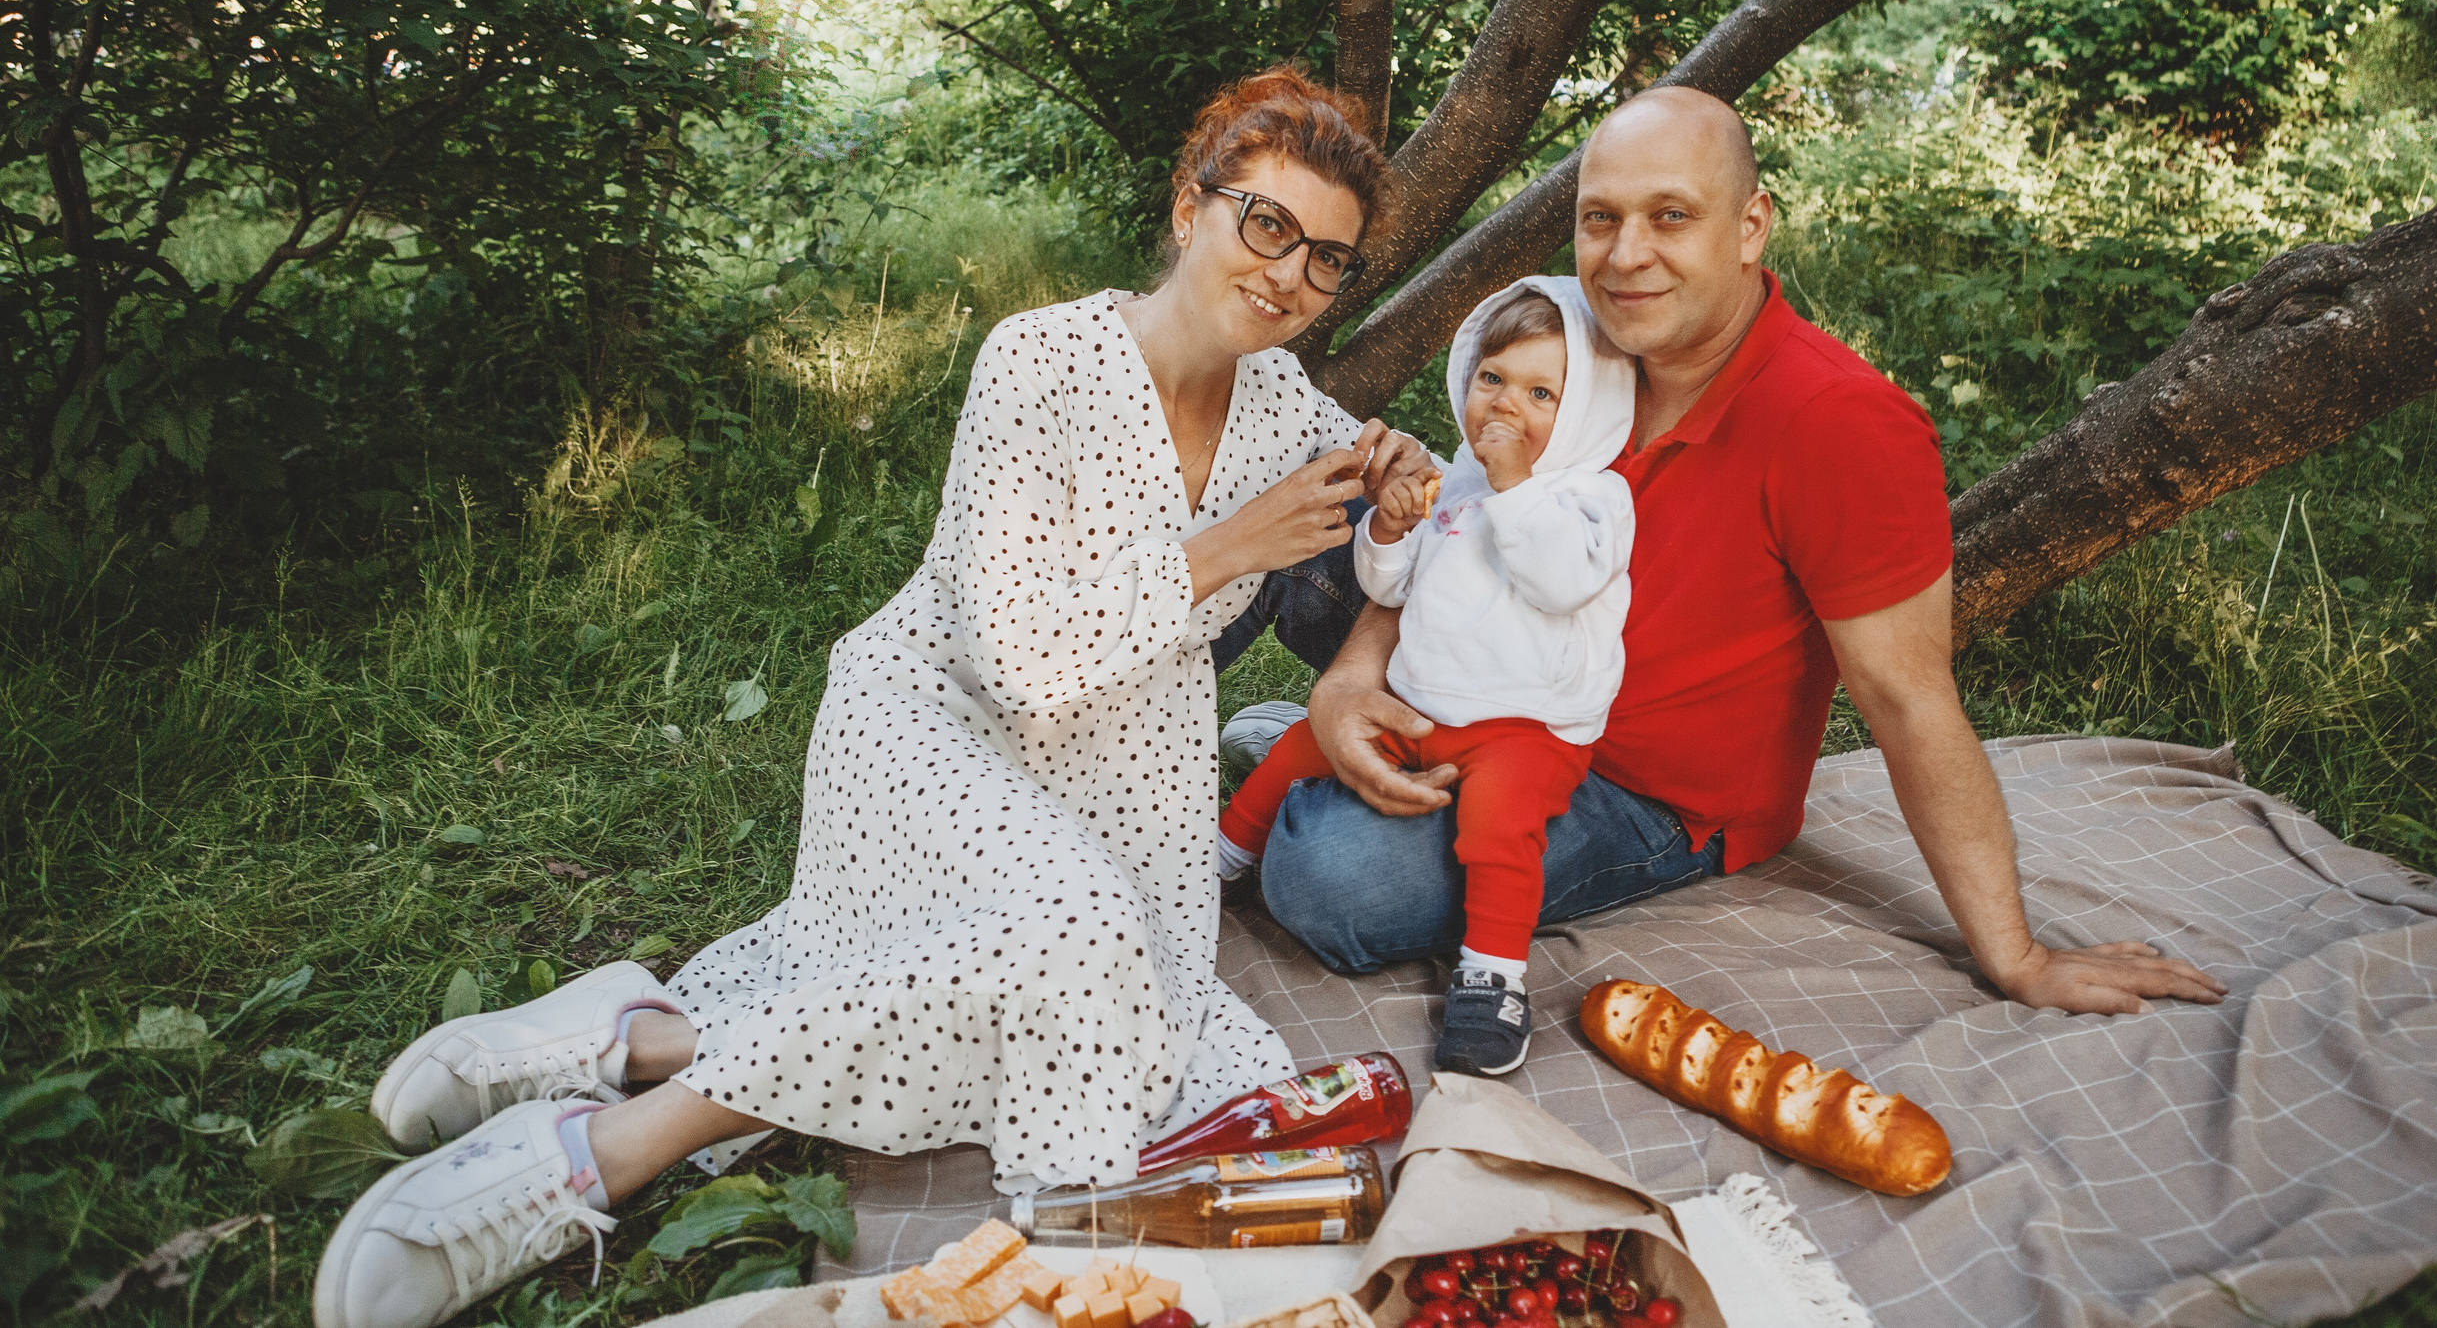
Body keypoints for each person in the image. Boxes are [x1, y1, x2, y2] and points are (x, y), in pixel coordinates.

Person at [313, 68, 1435, 1328]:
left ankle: (645, 1041)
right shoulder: (1042, 360)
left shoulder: (1288, 411)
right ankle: (610, 1148)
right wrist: (1228, 548)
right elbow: (1014, 660)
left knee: (1111, 1017)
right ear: (1190, 207)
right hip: (934, 719)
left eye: (1326, 258)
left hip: (1122, 778)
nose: (1287, 274)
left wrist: (1397, 511)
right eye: (1265, 223)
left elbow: (1421, 524)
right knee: (1074, 944)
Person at [1250, 86, 2231, 1021]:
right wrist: (1350, 681)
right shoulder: (1582, 339)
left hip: (1635, 789)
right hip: (1492, 661)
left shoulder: (1841, 424)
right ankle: (1237, 752)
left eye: (1670, 216)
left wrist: (2016, 953)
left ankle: (1305, 772)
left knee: (1331, 878)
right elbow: (1459, 515)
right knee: (1291, 475)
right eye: (1600, 219)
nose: (1626, 255)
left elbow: (1907, 698)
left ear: (1751, 226)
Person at [1216, 277, 1636, 1075]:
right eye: (1492, 378)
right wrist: (1389, 529)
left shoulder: (1594, 498)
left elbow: (1562, 581)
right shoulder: (1464, 479)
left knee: (1499, 831)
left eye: (1541, 393)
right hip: (1420, 702)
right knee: (1302, 749)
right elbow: (1391, 587)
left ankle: (1492, 975)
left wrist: (1514, 487)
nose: (1505, 404)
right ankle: (1221, 857)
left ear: (1588, 409)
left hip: (1527, 726)